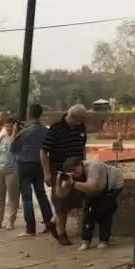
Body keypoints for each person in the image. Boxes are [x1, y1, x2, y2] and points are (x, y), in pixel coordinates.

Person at [41, 104, 87, 245]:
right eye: (78, 120)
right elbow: (43, 151)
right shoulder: (56, 129)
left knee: (74, 201)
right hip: (58, 170)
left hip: (76, 170)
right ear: (72, 116)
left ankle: (53, 222)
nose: (79, 123)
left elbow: (83, 146)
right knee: (60, 202)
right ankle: (62, 234)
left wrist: (83, 164)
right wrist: (47, 173)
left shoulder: (81, 127)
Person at [60, 157, 124, 250]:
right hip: (96, 191)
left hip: (112, 185)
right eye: (70, 171)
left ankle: (103, 240)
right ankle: (85, 240)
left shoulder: (92, 167)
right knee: (88, 212)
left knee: (103, 211)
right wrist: (61, 181)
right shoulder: (73, 176)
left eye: (75, 169)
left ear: (80, 165)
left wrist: (73, 183)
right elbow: (61, 194)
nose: (73, 173)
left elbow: (91, 185)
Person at [11, 103, 54, 237]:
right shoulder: (46, 130)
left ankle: (30, 229)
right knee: (41, 194)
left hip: (25, 164)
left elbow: (13, 148)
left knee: (27, 197)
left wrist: (15, 131)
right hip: (40, 164)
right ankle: (49, 223)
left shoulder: (25, 131)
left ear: (29, 113)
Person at [0, 117, 20, 229]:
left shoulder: (18, 139)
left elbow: (14, 147)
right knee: (0, 197)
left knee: (12, 197)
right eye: (6, 126)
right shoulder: (1, 138)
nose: (8, 128)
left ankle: (10, 221)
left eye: (10, 126)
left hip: (12, 170)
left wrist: (15, 132)